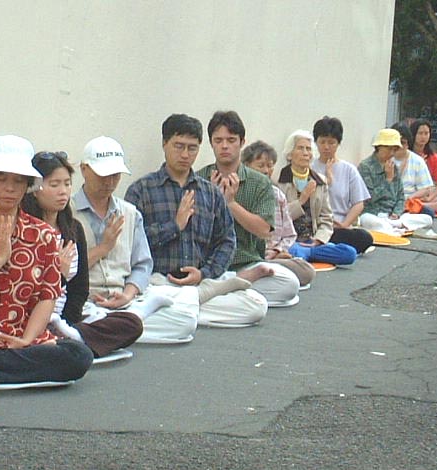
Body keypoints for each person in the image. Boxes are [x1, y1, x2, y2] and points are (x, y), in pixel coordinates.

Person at [0, 135, 94, 384]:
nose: (10, 188)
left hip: (22, 339)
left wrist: (26, 339)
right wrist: (0, 258)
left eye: (18, 181)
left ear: (28, 186)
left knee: (79, 356)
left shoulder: (43, 234)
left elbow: (47, 295)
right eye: (1, 179)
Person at [125, 114, 269, 327]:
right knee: (156, 296)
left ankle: (178, 313)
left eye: (192, 148)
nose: (185, 154)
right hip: (158, 282)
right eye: (178, 146)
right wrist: (174, 226)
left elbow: (226, 241)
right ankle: (181, 312)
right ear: (165, 144)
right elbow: (130, 243)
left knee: (256, 306)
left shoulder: (210, 192)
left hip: (200, 283)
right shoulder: (141, 190)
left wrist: (204, 273)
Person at [72, 136, 198, 343]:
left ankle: (108, 329)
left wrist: (128, 294)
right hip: (85, 302)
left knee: (186, 317)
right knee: (87, 317)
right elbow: (63, 271)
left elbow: (142, 264)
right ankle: (118, 327)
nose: (109, 182)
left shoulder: (130, 213)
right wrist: (103, 248)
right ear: (84, 169)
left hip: (125, 300)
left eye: (115, 176)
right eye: (103, 175)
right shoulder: (67, 213)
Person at [21, 151, 143, 358]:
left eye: (67, 184)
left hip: (64, 319)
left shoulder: (73, 228)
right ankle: (67, 342)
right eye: (54, 185)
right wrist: (58, 275)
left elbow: (79, 289)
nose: (63, 191)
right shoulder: (25, 230)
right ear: (34, 189)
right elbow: (22, 292)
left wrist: (69, 322)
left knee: (131, 323)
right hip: (30, 319)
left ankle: (71, 336)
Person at [196, 111, 300, 307]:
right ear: (211, 143)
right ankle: (230, 292)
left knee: (290, 284)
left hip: (247, 263)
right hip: (207, 266)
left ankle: (218, 293)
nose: (224, 146)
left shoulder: (259, 182)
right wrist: (214, 200)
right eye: (218, 140)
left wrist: (230, 203)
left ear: (242, 142)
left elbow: (264, 230)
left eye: (231, 140)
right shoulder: (198, 179)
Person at [270, 130, 357, 265]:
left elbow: (326, 217)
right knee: (295, 251)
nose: (306, 153)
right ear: (290, 154)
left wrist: (319, 239)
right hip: (290, 241)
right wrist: (301, 200)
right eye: (300, 148)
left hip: (312, 241)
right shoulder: (278, 181)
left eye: (308, 149)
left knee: (349, 253)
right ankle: (301, 256)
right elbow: (279, 219)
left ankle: (306, 255)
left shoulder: (319, 180)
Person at [240, 140, 316, 286]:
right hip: (252, 258)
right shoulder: (240, 194)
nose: (266, 171)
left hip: (278, 254)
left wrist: (277, 250)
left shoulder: (277, 194)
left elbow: (289, 234)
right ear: (246, 166)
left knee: (307, 270)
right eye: (260, 166)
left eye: (270, 166)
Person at [310, 116, 374, 253]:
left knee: (365, 238)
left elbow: (359, 203)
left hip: (339, 226)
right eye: (322, 142)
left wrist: (345, 224)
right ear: (316, 142)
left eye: (331, 143)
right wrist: (326, 179)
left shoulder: (348, 169)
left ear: (338, 143)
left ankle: (326, 247)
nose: (326, 147)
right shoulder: (309, 167)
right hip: (315, 225)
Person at [357, 129, 437, 238]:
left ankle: (393, 226)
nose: (392, 153)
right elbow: (369, 198)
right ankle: (394, 228)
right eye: (389, 149)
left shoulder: (393, 166)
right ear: (379, 147)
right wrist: (388, 180)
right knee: (368, 220)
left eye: (394, 150)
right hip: (373, 213)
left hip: (392, 217)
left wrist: (396, 213)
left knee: (427, 219)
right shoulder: (365, 167)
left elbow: (400, 196)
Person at [391, 122, 436, 217]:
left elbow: (426, 189)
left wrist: (410, 198)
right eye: (396, 142)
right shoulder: (383, 158)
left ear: (408, 144)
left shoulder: (418, 161)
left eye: (402, 142)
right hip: (387, 202)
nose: (398, 146)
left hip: (409, 202)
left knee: (429, 214)